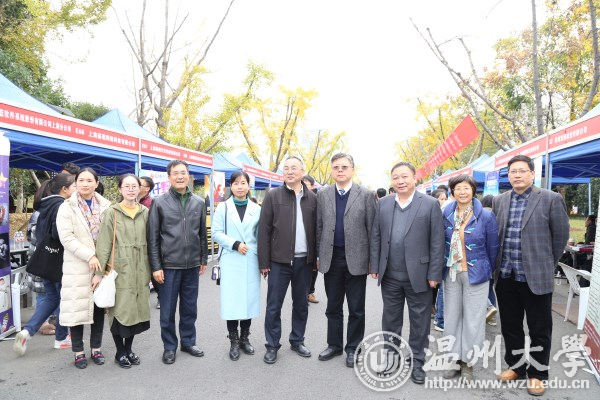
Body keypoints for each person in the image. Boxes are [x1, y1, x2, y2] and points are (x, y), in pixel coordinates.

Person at [493, 155, 570, 396]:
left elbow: (560, 237)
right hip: (506, 275)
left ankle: (538, 374)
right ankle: (516, 366)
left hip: (536, 276)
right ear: (508, 175)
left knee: (539, 329)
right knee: (510, 326)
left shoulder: (550, 199)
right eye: (513, 171)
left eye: (522, 171)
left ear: (532, 174)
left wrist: (546, 264)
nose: (517, 175)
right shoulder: (500, 200)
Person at [369, 161, 445, 385]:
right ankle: (391, 359)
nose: (400, 181)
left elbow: (437, 241)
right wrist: (374, 265)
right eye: (396, 177)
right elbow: (376, 236)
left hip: (420, 276)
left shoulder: (429, 204)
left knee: (420, 322)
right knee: (390, 321)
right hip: (390, 276)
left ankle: (417, 362)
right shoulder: (383, 203)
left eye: (404, 177)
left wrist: (434, 273)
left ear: (414, 178)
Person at [316, 153, 375, 368]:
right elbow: (319, 226)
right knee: (333, 306)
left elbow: (373, 230)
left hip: (357, 259)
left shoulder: (366, 195)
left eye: (344, 167)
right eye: (336, 167)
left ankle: (353, 348)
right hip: (331, 259)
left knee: (356, 308)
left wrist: (373, 262)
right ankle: (334, 345)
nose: (340, 170)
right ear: (332, 170)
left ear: (352, 170)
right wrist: (318, 255)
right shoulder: (323, 194)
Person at [147, 160, 208, 365]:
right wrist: (156, 266)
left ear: (188, 175)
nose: (180, 176)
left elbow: (202, 233)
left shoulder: (199, 202)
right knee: (167, 310)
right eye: (176, 173)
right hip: (169, 266)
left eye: (183, 173)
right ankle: (169, 346)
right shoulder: (159, 202)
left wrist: (203, 258)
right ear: (169, 177)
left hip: (192, 265)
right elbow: (153, 237)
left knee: (190, 308)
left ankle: (188, 342)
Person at [258, 156, 317, 364]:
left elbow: (317, 230)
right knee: (273, 305)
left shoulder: (313, 199)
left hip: (304, 262)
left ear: (302, 171)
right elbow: (264, 231)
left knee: (301, 304)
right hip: (278, 262)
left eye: (294, 168)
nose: (289, 171)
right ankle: (272, 345)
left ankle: (297, 340)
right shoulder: (273, 196)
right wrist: (264, 262)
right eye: (286, 168)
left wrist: (316, 257)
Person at [441, 175, 499, 381]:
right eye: (458, 188)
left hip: (477, 274)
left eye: (466, 188)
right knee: (451, 317)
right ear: (452, 192)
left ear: (473, 190)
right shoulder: (446, 213)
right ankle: (453, 359)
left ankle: (468, 363)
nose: (462, 192)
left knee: (473, 320)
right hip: (451, 273)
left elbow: (493, 247)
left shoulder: (486, 216)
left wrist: (486, 269)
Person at [13, 173, 76, 356]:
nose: (76, 189)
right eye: (74, 186)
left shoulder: (44, 206)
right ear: (64, 189)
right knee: (63, 299)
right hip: (59, 262)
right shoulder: (62, 206)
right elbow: (58, 234)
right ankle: (61, 338)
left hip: (45, 261)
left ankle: (27, 331)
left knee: (51, 298)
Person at [56, 167, 111, 369]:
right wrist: (89, 255)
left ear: (96, 183)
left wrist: (101, 264)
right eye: (81, 180)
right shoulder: (66, 207)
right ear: (76, 183)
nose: (85, 184)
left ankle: (96, 348)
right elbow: (67, 238)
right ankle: (78, 352)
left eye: (89, 180)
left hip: (100, 265)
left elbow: (110, 237)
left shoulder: (106, 206)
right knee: (76, 309)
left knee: (98, 309)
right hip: (77, 265)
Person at [95, 174, 151, 368]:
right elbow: (104, 244)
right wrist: (99, 273)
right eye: (127, 186)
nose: (131, 189)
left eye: (134, 186)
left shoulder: (145, 212)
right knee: (119, 311)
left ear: (139, 189)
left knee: (136, 311)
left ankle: (129, 349)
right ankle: (120, 351)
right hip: (118, 269)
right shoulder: (112, 212)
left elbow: (152, 240)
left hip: (140, 268)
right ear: (120, 189)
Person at [212, 171, 261, 361]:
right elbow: (216, 232)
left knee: (248, 300)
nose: (240, 187)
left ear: (249, 186)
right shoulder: (223, 207)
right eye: (236, 183)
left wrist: (263, 260)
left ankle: (244, 339)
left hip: (251, 258)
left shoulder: (257, 209)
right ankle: (233, 341)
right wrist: (235, 244)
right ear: (230, 186)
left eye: (243, 183)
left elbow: (260, 235)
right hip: (231, 258)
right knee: (232, 301)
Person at [138, 176, 158, 309]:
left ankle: (160, 296)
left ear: (147, 189)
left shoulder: (151, 203)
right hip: (135, 243)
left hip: (147, 242)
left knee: (152, 272)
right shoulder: (131, 200)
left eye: (139, 184)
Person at [302, 175, 320, 304]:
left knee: (314, 269)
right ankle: (303, 294)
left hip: (314, 242)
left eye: (307, 184)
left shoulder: (316, 200)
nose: (304, 186)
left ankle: (310, 291)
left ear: (312, 186)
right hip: (301, 243)